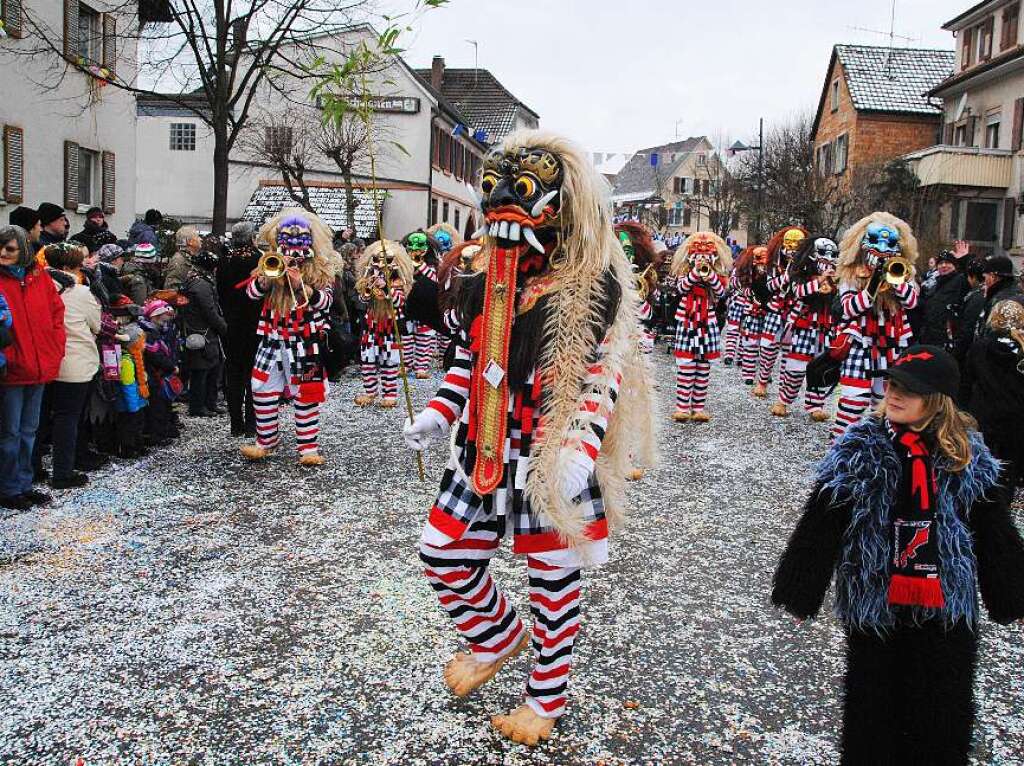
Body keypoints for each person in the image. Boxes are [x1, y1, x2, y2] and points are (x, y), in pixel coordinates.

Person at [402, 132, 654, 745]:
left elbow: (603, 372)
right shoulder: (486, 279)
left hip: (548, 449)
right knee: (443, 552)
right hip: (484, 444)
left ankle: (545, 699)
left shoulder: (588, 287)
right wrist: (440, 412)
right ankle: (496, 637)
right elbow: (470, 357)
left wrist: (580, 447)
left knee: (552, 577)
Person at [772, 344, 1024, 765]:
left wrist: (1010, 592)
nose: (894, 393)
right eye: (891, 383)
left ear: (939, 398)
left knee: (942, 705)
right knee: (873, 705)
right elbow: (823, 519)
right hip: (876, 599)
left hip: (946, 603)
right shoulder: (860, 450)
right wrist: (802, 587)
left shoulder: (967, 456)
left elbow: (992, 528)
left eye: (909, 388)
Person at [239, 210, 335, 465]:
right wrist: (266, 280)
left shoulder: (320, 270)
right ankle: (265, 441)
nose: (293, 251)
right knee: (262, 391)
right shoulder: (269, 263)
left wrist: (302, 286)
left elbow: (326, 303)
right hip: (271, 340)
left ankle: (308, 448)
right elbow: (250, 295)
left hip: (305, 343)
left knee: (306, 394)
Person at [831, 212, 920, 441]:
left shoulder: (903, 272)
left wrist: (895, 281)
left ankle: (875, 452)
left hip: (891, 345)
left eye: (889, 245)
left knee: (884, 407)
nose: (882, 250)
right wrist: (871, 286)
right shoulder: (851, 274)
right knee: (852, 404)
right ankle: (841, 449)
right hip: (859, 344)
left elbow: (912, 302)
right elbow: (849, 309)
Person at [0, 225, 66, 510]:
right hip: (13, 369)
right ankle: (9, 486)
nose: (3, 253)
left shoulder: (40, 279)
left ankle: (24, 483)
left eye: (10, 248)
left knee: (29, 430)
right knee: (10, 433)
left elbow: (56, 315)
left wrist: (55, 348)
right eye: (2, 247)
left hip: (39, 365)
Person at [42, 243, 101, 489]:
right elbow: (95, 325)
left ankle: (34, 469)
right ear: (69, 267)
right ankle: (63, 472)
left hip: (43, 361)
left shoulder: (38, 288)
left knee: (41, 418)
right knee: (68, 417)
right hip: (74, 362)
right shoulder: (79, 292)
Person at [771, 235, 838, 421]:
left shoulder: (836, 278)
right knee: (796, 367)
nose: (828, 258)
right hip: (803, 325)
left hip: (825, 327)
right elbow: (798, 292)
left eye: (833, 254)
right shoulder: (799, 273)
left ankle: (815, 405)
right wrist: (819, 280)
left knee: (819, 367)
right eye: (824, 253)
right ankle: (783, 400)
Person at [669, 231, 731, 422]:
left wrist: (710, 275)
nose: (703, 257)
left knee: (703, 366)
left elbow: (720, 293)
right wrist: (696, 272)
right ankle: (682, 407)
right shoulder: (684, 272)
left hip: (707, 321)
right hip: (687, 321)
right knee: (686, 366)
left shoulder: (718, 275)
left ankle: (698, 407)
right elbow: (681, 288)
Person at [963, 300, 1024, 486]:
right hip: (1016, 417)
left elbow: (966, 382)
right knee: (1010, 472)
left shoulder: (979, 347)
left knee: (984, 470)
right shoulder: (1020, 351)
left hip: (984, 415)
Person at [354, 239, 414, 408]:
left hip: (390, 328)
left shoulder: (399, 283)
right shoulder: (369, 279)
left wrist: (387, 287)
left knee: (390, 361)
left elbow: (399, 302)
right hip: (371, 327)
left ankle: (390, 394)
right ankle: (370, 391)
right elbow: (362, 299)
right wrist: (367, 289)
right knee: (367, 361)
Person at [216, 221, 262, 437]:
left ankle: (236, 423)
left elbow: (221, 293)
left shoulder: (224, 261)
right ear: (252, 237)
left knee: (233, 373)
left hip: (231, 323)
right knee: (253, 373)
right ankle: (252, 424)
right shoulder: (260, 259)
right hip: (255, 323)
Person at [751, 226, 807, 398]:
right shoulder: (774, 263)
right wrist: (787, 276)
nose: (791, 250)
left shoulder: (805, 264)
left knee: (789, 352)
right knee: (768, 349)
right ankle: (762, 382)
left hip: (795, 310)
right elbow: (770, 285)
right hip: (775, 309)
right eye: (789, 245)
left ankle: (784, 389)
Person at [180, 248, 227, 417]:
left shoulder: (195, 280)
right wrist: (223, 327)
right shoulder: (202, 285)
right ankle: (199, 406)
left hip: (200, 329)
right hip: (203, 331)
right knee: (202, 370)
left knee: (211, 367)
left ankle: (209, 403)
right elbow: (210, 310)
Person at [139, 299, 181, 445]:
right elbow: (155, 356)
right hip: (155, 374)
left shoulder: (158, 331)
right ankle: (156, 436)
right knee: (158, 406)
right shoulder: (150, 334)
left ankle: (162, 431)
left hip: (158, 373)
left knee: (163, 404)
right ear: (155, 316)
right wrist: (171, 366)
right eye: (165, 315)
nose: (168, 318)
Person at [402, 229, 441, 378]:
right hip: (408, 305)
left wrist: (420, 266)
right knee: (406, 336)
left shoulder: (433, 267)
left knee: (424, 338)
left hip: (426, 304)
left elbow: (435, 279)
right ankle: (405, 364)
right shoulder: (405, 266)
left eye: (419, 249)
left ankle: (421, 367)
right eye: (412, 249)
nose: (415, 252)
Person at [918, 250, 968, 350]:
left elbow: (968, 277)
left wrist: (963, 260)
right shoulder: (935, 284)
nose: (944, 265)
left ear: (954, 265)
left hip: (946, 338)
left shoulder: (960, 280)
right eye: (941, 263)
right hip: (929, 336)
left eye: (948, 262)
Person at [164, 226, 201, 291]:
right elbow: (171, 289)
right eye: (197, 237)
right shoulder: (178, 261)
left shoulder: (190, 257)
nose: (200, 239)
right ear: (189, 241)